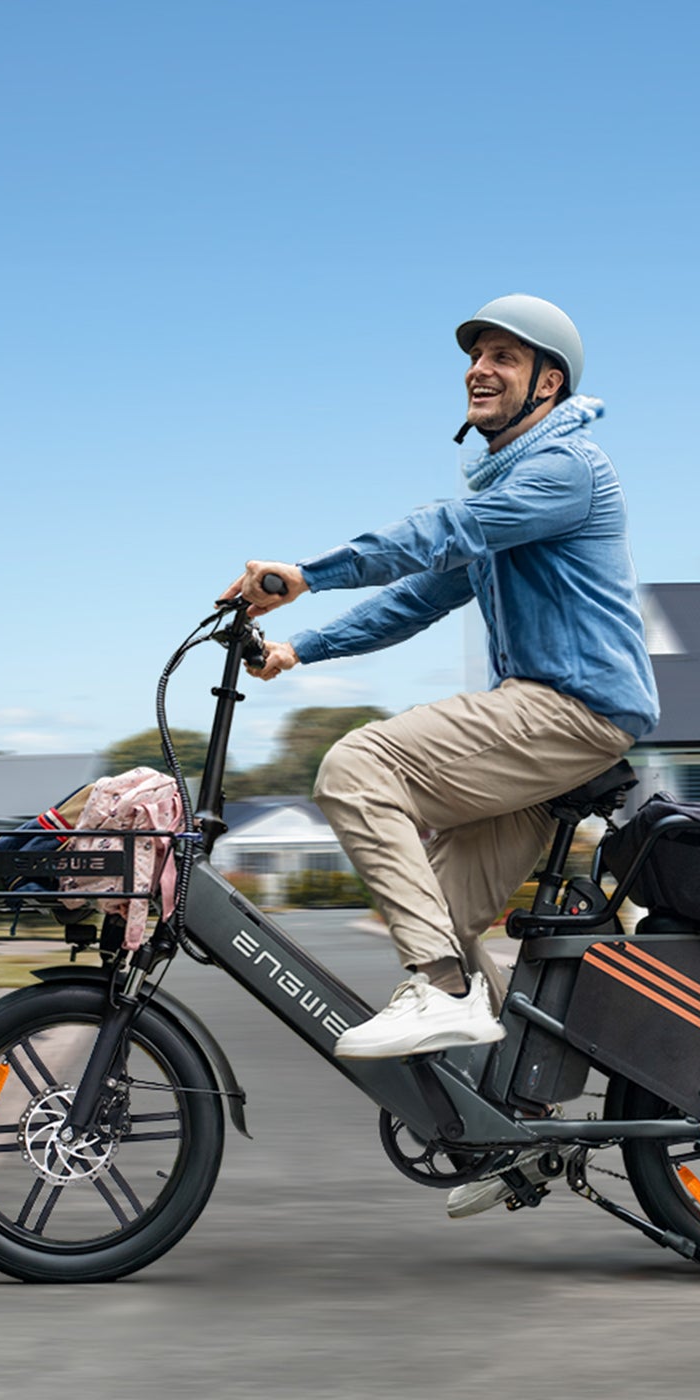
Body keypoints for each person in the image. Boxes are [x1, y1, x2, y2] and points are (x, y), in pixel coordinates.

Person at [217, 293, 659, 1067]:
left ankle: (445, 990)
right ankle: (504, 1126)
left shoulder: (565, 469)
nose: (478, 370)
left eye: (503, 358)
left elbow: (444, 532)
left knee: (358, 767)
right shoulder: (504, 488)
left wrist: (309, 574)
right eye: (475, 355)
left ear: (547, 384)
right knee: (436, 918)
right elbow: (423, 594)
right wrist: (300, 649)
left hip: (574, 710)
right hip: (544, 724)